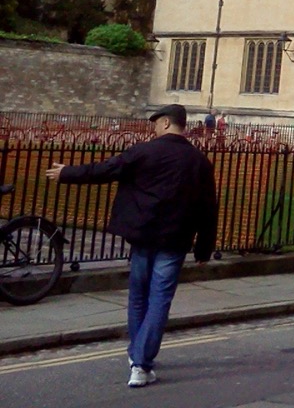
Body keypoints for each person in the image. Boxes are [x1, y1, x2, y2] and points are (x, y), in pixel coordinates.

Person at [45, 104, 218, 389]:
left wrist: (68, 173)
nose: (153, 128)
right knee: (159, 300)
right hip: (174, 239)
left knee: (139, 297)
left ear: (164, 123)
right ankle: (140, 360)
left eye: (155, 123)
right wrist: (204, 248)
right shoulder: (199, 161)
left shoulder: (145, 152)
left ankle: (138, 358)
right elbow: (209, 208)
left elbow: (106, 170)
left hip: (143, 236)